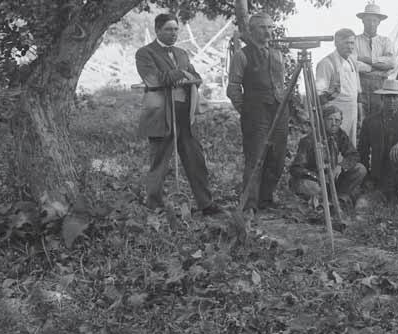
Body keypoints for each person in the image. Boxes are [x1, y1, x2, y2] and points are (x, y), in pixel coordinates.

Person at [134, 13, 220, 215]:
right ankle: (155, 207)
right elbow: (153, 80)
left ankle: (206, 204)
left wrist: (186, 76)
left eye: (175, 29)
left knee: (196, 159)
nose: (173, 33)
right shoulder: (145, 53)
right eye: (168, 29)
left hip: (184, 115)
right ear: (157, 30)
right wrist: (180, 74)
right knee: (159, 163)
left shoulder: (181, 53)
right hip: (161, 114)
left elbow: (196, 77)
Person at [226, 12, 289, 211]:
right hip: (255, 113)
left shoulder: (278, 54)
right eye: (262, 28)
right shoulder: (242, 55)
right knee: (255, 157)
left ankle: (266, 199)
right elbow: (233, 88)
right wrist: (246, 110)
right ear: (252, 31)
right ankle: (250, 203)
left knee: (277, 157)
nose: (268, 32)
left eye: (270, 27)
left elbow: (280, 85)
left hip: (278, 111)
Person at [288, 104, 367, 208]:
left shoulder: (340, 135)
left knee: (360, 169)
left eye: (337, 120)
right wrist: (318, 177)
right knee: (313, 188)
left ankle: (340, 198)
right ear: (323, 120)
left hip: (331, 178)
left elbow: (353, 155)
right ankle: (323, 202)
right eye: (330, 119)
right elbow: (296, 168)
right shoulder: (309, 140)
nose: (334, 124)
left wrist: (341, 166)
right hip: (314, 180)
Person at [315, 28, 361, 145]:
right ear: (336, 43)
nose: (350, 47)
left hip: (352, 112)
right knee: (335, 144)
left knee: (350, 145)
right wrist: (329, 117)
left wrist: (360, 113)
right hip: (336, 114)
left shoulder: (352, 61)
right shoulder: (326, 63)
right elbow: (319, 93)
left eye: (352, 43)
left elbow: (357, 91)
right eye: (346, 43)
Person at [355, 3, 395, 119]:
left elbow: (391, 63)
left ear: (379, 22)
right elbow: (354, 64)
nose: (371, 23)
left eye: (374, 20)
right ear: (363, 21)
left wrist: (365, 59)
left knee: (380, 116)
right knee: (361, 115)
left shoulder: (385, 41)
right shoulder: (355, 41)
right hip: (360, 82)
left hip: (380, 83)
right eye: (368, 20)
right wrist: (377, 66)